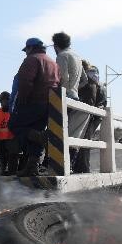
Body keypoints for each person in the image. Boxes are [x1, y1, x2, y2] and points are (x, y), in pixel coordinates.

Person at [8, 37, 60, 176]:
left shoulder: (32, 59)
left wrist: (21, 101)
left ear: (31, 48)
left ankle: (43, 138)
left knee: (14, 125)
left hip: (33, 102)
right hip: (49, 105)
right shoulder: (52, 62)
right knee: (35, 131)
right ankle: (32, 167)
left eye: (26, 49)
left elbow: (25, 81)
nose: (25, 52)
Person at [52, 31, 90, 168]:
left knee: (56, 133)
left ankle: (52, 165)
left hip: (63, 97)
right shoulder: (78, 57)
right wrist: (74, 88)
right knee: (72, 133)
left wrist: (63, 89)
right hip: (75, 97)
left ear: (55, 46)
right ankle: (69, 165)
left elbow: (62, 78)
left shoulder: (62, 56)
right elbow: (85, 81)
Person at [74, 64, 107, 173]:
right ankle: (82, 168)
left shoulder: (89, 83)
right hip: (95, 116)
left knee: (83, 140)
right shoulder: (100, 85)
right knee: (85, 141)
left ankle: (82, 168)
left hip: (89, 115)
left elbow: (90, 100)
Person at [0, 91, 19, 175]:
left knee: (12, 159)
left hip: (12, 140)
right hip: (0, 142)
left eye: (4, 100)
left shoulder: (14, 111)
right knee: (2, 160)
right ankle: (1, 176)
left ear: (9, 100)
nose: (2, 102)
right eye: (1, 101)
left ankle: (12, 176)